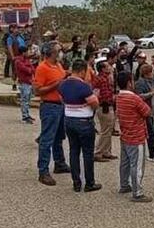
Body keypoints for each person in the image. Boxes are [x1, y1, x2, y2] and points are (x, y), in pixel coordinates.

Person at [58, 59, 101, 192]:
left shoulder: (63, 85)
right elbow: (94, 104)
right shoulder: (84, 87)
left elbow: (62, 99)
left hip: (69, 120)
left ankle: (76, 182)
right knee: (87, 153)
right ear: (82, 71)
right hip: (84, 121)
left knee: (74, 151)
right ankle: (89, 182)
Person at [33, 41, 70, 186]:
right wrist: (58, 83)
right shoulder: (42, 68)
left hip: (60, 105)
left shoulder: (58, 65)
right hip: (49, 106)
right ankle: (43, 171)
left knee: (59, 137)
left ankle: (59, 163)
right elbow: (38, 90)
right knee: (47, 139)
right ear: (51, 53)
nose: (61, 52)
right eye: (58, 50)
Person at [115, 71, 152, 202]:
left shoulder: (119, 97)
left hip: (125, 134)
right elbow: (147, 111)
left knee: (124, 163)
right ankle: (138, 192)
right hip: (136, 136)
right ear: (129, 83)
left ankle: (124, 184)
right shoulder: (134, 98)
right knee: (136, 165)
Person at [134, 62, 154, 162]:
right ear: (146, 73)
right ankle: (152, 152)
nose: (153, 73)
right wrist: (152, 93)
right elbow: (139, 96)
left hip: (152, 110)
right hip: (145, 110)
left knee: (151, 131)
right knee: (150, 132)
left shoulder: (152, 82)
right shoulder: (140, 83)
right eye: (151, 72)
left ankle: (152, 151)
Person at [92, 60, 117, 162]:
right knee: (105, 130)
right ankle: (98, 152)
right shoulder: (101, 79)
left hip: (107, 105)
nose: (110, 67)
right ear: (103, 69)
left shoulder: (105, 78)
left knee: (108, 129)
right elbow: (99, 93)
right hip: (104, 106)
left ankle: (106, 151)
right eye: (107, 66)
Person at [13, 46, 36, 124]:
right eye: (27, 52)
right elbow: (28, 70)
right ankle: (25, 116)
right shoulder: (18, 61)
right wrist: (29, 68)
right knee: (25, 99)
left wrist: (30, 69)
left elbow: (32, 69)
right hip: (24, 82)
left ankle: (27, 114)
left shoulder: (26, 60)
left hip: (29, 81)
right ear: (23, 52)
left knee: (28, 99)